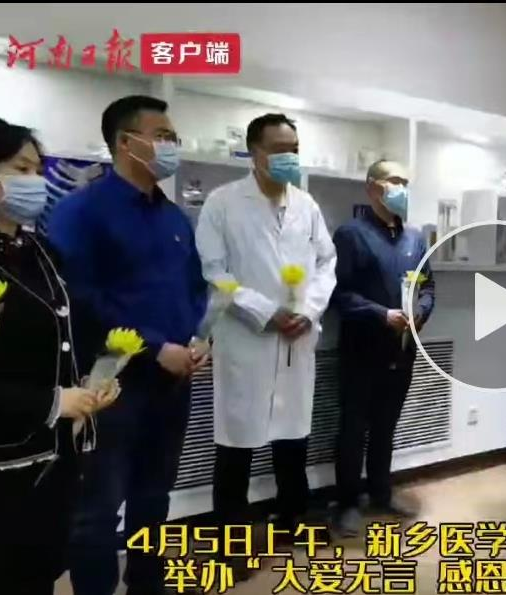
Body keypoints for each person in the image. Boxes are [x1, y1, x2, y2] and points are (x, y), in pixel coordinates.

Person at [48, 96, 208, 595]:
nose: (171, 146)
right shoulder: (81, 212)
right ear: (125, 142)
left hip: (172, 380)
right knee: (99, 505)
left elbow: (194, 287)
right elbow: (79, 297)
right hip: (110, 382)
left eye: (173, 137)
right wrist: (155, 347)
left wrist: (195, 340)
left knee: (154, 495)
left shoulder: (174, 218)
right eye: (162, 136)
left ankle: (147, 582)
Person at [0, 116, 119, 594]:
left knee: (37, 569)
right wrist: (51, 402)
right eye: (19, 169)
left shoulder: (41, 251)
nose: (34, 182)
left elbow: (61, 333)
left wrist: (86, 386)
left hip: (49, 457)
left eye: (37, 169)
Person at [195, 114, 337, 568]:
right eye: (278, 149)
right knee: (235, 446)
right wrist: (264, 310)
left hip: (297, 338)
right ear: (254, 152)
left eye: (294, 148)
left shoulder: (307, 205)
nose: (288, 157)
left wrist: (308, 311)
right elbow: (214, 272)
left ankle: (293, 520)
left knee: (293, 440)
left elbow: (326, 263)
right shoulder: (222, 203)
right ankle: (231, 542)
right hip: (245, 338)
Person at [331, 159, 435, 537]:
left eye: (405, 181)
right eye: (394, 181)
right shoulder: (351, 235)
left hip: (402, 349)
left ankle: (380, 493)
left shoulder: (415, 239)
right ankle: (346, 503)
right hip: (361, 349)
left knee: (386, 426)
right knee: (353, 428)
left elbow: (428, 286)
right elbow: (337, 293)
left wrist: (421, 313)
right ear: (372, 187)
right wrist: (381, 314)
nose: (401, 188)